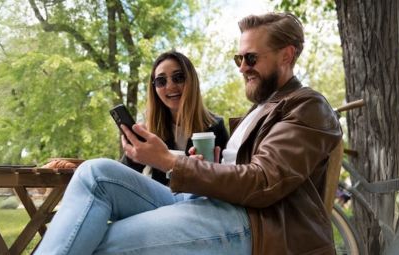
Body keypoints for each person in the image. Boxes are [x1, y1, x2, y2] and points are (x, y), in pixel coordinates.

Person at [35, 12, 340, 255]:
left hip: (256, 225)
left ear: (286, 55)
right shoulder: (260, 109)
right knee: (95, 173)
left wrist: (170, 161)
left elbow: (263, 182)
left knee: (99, 241)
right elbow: (245, 172)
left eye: (251, 58)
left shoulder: (306, 105)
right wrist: (208, 165)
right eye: (239, 59)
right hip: (206, 201)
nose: (242, 68)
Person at [120, 51, 229, 186]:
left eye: (178, 78)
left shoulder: (215, 127)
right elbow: (121, 177)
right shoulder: (148, 130)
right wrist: (133, 154)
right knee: (96, 169)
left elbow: (227, 180)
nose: (170, 86)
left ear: (191, 81)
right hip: (158, 200)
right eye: (161, 81)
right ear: (154, 88)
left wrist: (202, 169)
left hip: (196, 201)